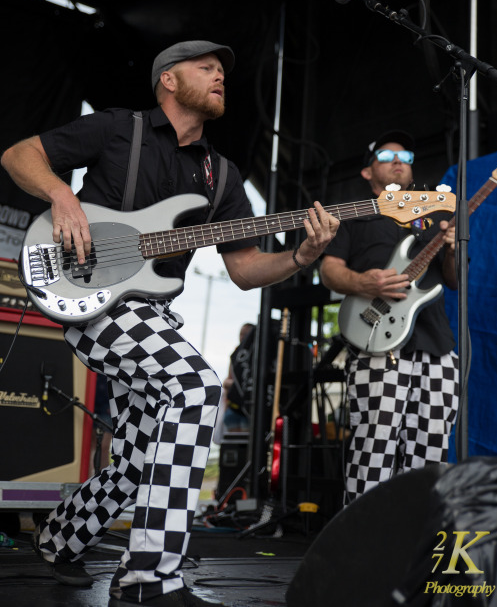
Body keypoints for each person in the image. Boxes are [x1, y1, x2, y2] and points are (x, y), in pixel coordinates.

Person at [1, 40, 339, 607]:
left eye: (222, 72)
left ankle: (60, 539)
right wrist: (62, 194)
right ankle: (149, 579)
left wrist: (302, 257)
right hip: (89, 294)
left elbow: (246, 270)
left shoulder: (221, 176)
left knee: (139, 459)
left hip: (151, 310)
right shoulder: (117, 130)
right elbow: (18, 155)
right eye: (205, 68)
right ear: (168, 81)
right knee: (196, 384)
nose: (219, 77)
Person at [320, 129, 459, 504]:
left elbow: (455, 279)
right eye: (386, 156)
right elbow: (328, 271)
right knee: (374, 449)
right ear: (368, 172)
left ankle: (412, 546)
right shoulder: (354, 215)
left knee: (430, 454)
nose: (399, 161)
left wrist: (449, 251)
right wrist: (364, 283)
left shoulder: (433, 214)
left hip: (438, 346)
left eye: (406, 158)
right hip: (376, 341)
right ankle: (362, 551)